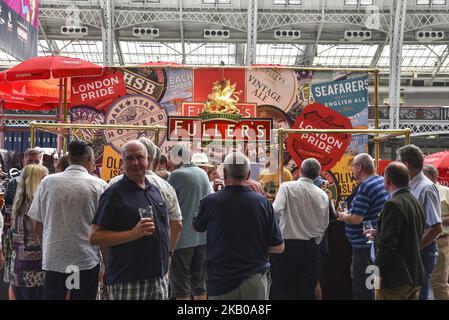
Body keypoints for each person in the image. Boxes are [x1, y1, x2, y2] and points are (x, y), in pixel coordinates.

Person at [91, 140, 175, 300]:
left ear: (148, 160)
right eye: (130, 158)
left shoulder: (155, 190)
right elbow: (95, 237)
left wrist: (166, 261)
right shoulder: (113, 194)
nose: (135, 163)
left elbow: (171, 227)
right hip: (128, 279)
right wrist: (133, 233)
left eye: (139, 157)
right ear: (123, 162)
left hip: (158, 278)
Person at [193, 152, 284, 299]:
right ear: (248, 175)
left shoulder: (209, 202)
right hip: (255, 280)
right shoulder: (263, 203)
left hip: (221, 281)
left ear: (224, 173)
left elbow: (197, 226)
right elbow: (279, 247)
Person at [28, 140, 107, 300]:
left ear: (69, 159)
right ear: (90, 160)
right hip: (85, 260)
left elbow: (36, 222)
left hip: (54, 259)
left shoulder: (47, 183)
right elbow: (103, 230)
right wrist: (107, 265)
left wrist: (47, 245)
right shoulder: (99, 186)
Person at [108, 137, 183, 258]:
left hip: (122, 259)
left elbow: (104, 228)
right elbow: (177, 225)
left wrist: (106, 264)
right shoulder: (166, 187)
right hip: (156, 260)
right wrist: (168, 252)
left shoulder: (113, 184)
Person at [270, 158, 329, 299]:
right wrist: (315, 241)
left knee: (283, 288)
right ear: (317, 175)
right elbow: (324, 224)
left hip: (288, 245)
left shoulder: (287, 187)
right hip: (311, 247)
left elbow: (275, 211)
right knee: (306, 290)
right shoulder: (322, 195)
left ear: (300, 171)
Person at [337, 153, 388, 300]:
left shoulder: (365, 187)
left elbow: (356, 219)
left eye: (353, 166)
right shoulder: (380, 180)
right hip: (373, 242)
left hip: (363, 244)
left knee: (362, 285)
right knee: (372, 282)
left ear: (359, 167)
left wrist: (343, 216)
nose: (352, 170)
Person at [372, 162, 425, 300]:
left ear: (387, 180)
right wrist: (378, 233)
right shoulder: (414, 201)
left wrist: (377, 273)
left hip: (395, 279)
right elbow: (408, 233)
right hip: (414, 273)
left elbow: (388, 245)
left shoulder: (393, 204)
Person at [397, 145, 442, 300]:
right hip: (414, 250)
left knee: (418, 293)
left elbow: (436, 228)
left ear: (407, 165)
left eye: (398, 162)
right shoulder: (410, 186)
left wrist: (414, 248)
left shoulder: (425, 188)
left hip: (421, 252)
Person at [168, 144, 211, 300]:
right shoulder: (203, 174)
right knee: (200, 286)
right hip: (203, 239)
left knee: (182, 288)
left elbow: (166, 205)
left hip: (182, 240)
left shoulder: (176, 176)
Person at [9, 164, 48, 300]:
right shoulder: (35, 204)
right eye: (44, 178)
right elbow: (39, 231)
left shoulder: (19, 202)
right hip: (34, 267)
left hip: (18, 264)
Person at [422, 164, 449, 300]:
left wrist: (437, 219)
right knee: (421, 279)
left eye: (424, 175)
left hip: (441, 240)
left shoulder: (446, 191)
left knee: (438, 281)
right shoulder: (419, 190)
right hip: (423, 239)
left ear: (434, 176)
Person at [3, 148, 43, 217]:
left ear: (41, 163)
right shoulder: (14, 183)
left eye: (37, 162)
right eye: (30, 161)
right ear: (23, 162)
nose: (33, 165)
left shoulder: (45, 183)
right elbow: (7, 208)